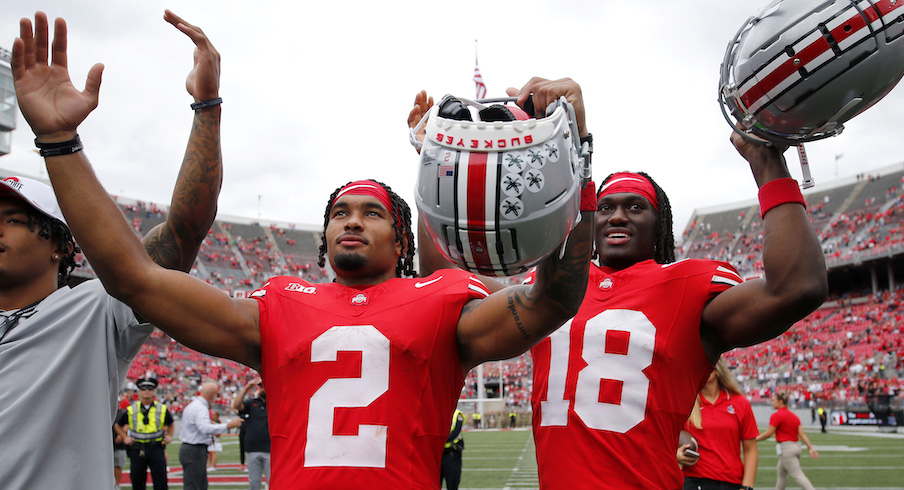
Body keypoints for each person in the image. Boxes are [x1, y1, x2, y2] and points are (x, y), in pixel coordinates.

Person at [15, 13, 595, 487]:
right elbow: (133, 278)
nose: (352, 222)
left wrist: (575, 157)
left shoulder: (442, 300)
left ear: (402, 241)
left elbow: (552, 300)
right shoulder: (277, 306)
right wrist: (59, 142)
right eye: (340, 212)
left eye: (371, 213)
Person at [411, 76, 827, 488]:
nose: (617, 216)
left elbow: (795, 288)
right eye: (606, 206)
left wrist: (768, 166)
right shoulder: (549, 289)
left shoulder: (688, 284)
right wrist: (435, 163)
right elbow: (444, 287)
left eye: (635, 207)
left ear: (660, 223)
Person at [3, 10, 223, 490]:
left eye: (13, 219)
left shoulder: (96, 309)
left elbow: (184, 231)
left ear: (62, 247)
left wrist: (207, 106)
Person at [676, 359, 758, 490]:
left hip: (732, 482)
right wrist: (677, 455)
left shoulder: (740, 403)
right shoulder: (685, 403)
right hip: (695, 482)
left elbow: (750, 449)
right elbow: (667, 440)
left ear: (717, 371)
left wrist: (747, 486)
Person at [115, 377, 175, 490]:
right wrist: (125, 437)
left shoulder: (162, 408)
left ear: (153, 391)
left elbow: (171, 423)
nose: (146, 391)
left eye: (150, 389)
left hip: (156, 447)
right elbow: (118, 425)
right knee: (137, 481)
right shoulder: (131, 409)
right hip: (137, 449)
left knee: (160, 481)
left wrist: (169, 436)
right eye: (143, 389)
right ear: (139, 391)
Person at [180, 382, 242, 490]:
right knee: (194, 485)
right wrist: (228, 425)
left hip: (192, 449)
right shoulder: (200, 408)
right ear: (213, 394)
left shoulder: (195, 405)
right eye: (216, 394)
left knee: (199, 484)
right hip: (194, 450)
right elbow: (204, 428)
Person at [756, 392, 819, 490]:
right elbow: (802, 434)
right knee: (782, 474)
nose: (771, 402)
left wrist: (755, 439)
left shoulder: (776, 415)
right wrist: (810, 448)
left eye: (773, 400)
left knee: (798, 476)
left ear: (781, 402)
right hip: (796, 447)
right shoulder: (794, 416)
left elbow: (769, 433)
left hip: (786, 449)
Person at [233, 377, 271, 490]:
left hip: (271, 449)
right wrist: (246, 388)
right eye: (261, 386)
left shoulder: (275, 402)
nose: (263, 389)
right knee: (254, 484)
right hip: (253, 449)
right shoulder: (251, 403)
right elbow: (236, 406)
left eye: (264, 385)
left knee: (273, 483)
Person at [440, 409, 465, 490]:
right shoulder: (434, 412)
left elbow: (456, 431)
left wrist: (440, 440)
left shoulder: (457, 414)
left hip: (452, 454)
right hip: (438, 455)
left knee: (452, 484)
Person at [114, 399, 129, 490]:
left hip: (119, 444)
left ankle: (117, 484)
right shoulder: (104, 412)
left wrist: (121, 434)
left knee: (118, 464)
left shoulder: (122, 412)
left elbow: (127, 424)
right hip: (108, 443)